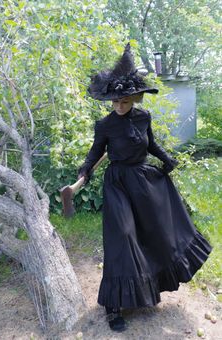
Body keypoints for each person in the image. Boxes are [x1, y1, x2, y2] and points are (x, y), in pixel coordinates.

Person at [78, 43, 212, 332]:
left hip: (143, 180)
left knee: (154, 232)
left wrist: (167, 160)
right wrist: (84, 172)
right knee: (123, 236)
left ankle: (145, 290)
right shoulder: (104, 126)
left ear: (134, 98)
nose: (118, 106)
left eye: (123, 101)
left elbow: (150, 144)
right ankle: (112, 306)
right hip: (117, 183)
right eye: (114, 102)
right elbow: (93, 153)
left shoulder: (143, 117)